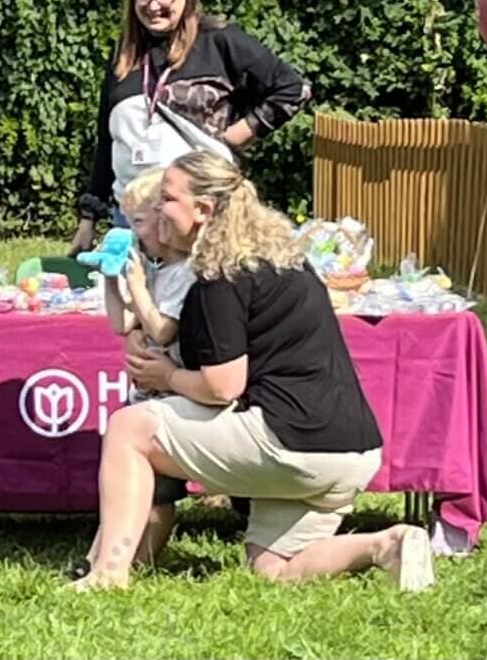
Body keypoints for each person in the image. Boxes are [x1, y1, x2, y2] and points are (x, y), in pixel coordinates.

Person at [69, 151, 434, 592]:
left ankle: (108, 573)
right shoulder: (283, 258)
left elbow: (222, 387)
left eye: (167, 198)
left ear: (203, 210)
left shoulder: (220, 275)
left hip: (292, 443)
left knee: (129, 428)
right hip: (351, 451)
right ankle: (389, 544)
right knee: (274, 566)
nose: (158, 209)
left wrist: (164, 378)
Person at [68, 0, 311, 255]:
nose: (153, 6)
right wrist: (88, 219)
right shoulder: (125, 54)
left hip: (199, 218)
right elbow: (106, 140)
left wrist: (241, 133)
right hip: (135, 219)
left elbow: (292, 87)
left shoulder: (219, 41)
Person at [67, 168, 193, 580]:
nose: (132, 231)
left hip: (173, 398)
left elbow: (163, 329)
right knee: (127, 486)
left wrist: (137, 285)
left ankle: (138, 562)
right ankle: (100, 560)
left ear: (163, 221)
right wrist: (110, 279)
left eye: (138, 222)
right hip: (147, 395)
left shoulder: (183, 272)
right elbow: (124, 325)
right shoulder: (156, 269)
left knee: (159, 492)